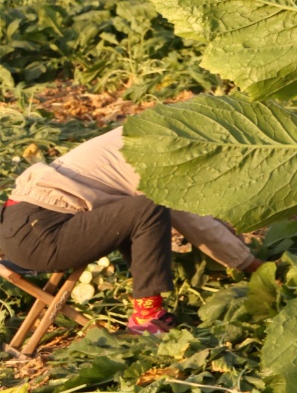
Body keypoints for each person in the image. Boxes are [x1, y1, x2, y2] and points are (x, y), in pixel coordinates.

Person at [1, 120, 259, 334]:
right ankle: (147, 317)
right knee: (148, 207)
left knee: (134, 211)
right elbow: (194, 220)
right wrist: (250, 265)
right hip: (39, 233)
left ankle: (148, 309)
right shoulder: (159, 153)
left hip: (23, 224)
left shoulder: (144, 132)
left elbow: (198, 210)